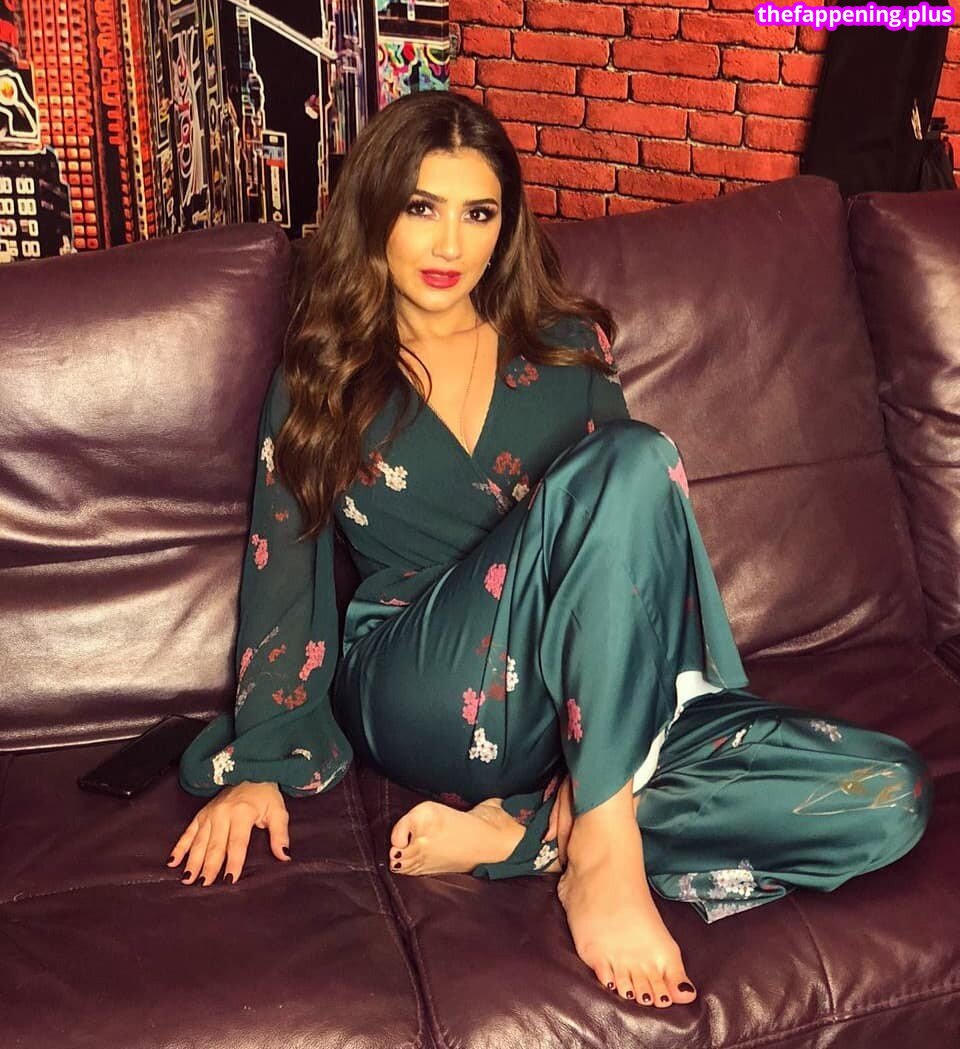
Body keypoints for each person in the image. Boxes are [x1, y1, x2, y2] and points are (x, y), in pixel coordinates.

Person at [165, 91, 933, 1009]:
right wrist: (259, 768)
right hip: (425, 680)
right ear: (375, 212)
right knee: (636, 456)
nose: (449, 244)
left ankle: (542, 831)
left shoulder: (566, 346)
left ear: (506, 226)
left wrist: (633, 714)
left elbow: (630, 544)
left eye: (478, 213)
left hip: (582, 710)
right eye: (422, 207)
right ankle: (601, 853)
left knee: (885, 795)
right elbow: (281, 571)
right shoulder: (324, 374)